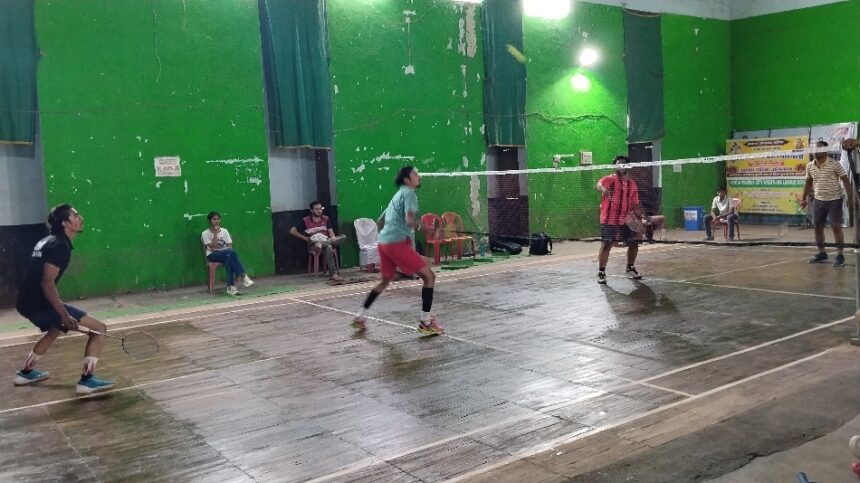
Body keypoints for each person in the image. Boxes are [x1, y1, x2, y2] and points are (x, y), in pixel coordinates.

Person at [13, 204, 115, 395]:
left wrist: (61, 317)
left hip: (25, 302)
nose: (80, 218)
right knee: (99, 329)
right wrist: (65, 315)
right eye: (75, 215)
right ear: (65, 223)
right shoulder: (60, 246)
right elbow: (47, 283)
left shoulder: (47, 241)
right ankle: (87, 380)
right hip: (39, 303)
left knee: (55, 329)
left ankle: (25, 373)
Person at [351, 166, 444, 335]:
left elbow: (380, 221)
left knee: (385, 281)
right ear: (407, 180)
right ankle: (425, 322)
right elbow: (409, 220)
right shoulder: (409, 193)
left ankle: (360, 316)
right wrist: (427, 229)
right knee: (429, 277)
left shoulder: (397, 194)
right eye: (415, 174)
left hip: (383, 243)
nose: (418, 176)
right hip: (396, 244)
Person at [800, 141, 853, 266]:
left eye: (818, 149)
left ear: (825, 151)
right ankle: (822, 253)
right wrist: (803, 199)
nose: (815, 152)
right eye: (814, 149)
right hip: (819, 200)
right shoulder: (810, 166)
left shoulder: (834, 164)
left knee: (836, 226)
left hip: (835, 199)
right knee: (817, 227)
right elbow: (808, 182)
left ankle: (840, 255)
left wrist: (850, 198)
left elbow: (845, 180)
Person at [596, 155, 645, 285]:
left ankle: (630, 267)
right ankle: (601, 272)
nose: (621, 166)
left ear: (628, 166)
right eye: (618, 164)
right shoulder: (609, 179)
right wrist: (603, 189)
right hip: (609, 218)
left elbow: (635, 204)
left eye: (623, 164)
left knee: (634, 243)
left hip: (625, 219)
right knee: (607, 244)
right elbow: (599, 184)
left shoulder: (632, 184)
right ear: (615, 166)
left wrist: (642, 218)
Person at [289, 201, 345, 282]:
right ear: (311, 210)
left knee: (340, 238)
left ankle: (324, 244)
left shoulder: (326, 219)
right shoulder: (305, 220)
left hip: (325, 240)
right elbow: (292, 231)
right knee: (328, 246)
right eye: (317, 209)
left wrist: (333, 237)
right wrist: (306, 239)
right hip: (314, 244)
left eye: (320, 208)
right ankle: (334, 274)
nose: (319, 211)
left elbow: (331, 232)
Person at [201, 212, 254, 295]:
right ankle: (243, 276)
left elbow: (230, 245)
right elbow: (213, 247)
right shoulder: (205, 233)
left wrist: (224, 250)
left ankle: (230, 287)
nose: (217, 221)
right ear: (209, 221)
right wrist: (215, 234)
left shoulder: (224, 231)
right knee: (231, 253)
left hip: (226, 254)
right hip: (213, 255)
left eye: (218, 219)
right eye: (214, 219)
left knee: (229, 258)